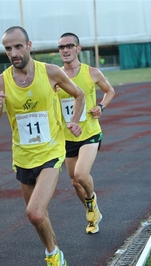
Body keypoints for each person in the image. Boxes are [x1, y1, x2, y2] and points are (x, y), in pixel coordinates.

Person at [0, 26, 85, 266]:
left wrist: (73, 121)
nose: (14, 52)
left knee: (35, 212)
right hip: (22, 158)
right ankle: (54, 251)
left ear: (29, 46)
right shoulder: (0, 83)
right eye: (8, 49)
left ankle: (52, 257)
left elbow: (79, 94)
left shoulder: (50, 72)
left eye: (18, 46)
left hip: (51, 153)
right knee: (39, 216)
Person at [57, 32, 115, 234]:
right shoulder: (56, 76)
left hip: (90, 132)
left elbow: (110, 91)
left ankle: (91, 202)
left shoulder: (92, 72)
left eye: (69, 46)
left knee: (82, 174)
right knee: (74, 181)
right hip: (67, 136)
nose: (65, 50)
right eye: (61, 47)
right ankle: (93, 211)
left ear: (78, 49)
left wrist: (101, 106)